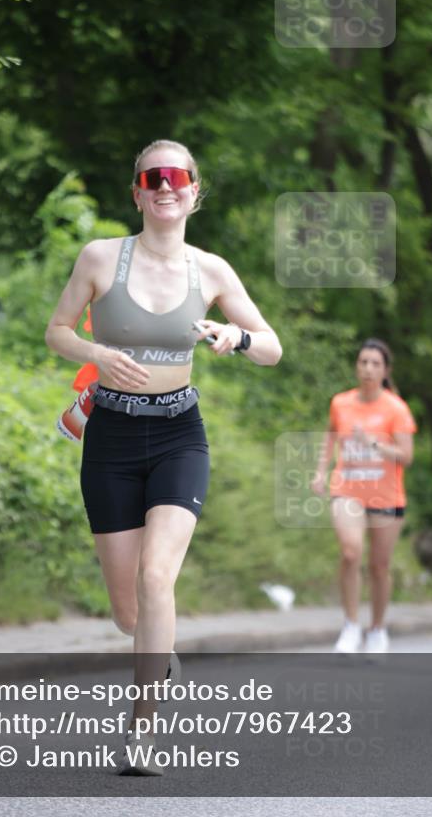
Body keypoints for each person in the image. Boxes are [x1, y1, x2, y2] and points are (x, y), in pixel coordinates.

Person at [45, 139, 282, 774]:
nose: (166, 187)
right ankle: (156, 649)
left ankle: (141, 730)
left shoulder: (213, 270)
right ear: (138, 192)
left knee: (157, 578)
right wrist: (95, 354)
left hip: (180, 435)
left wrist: (237, 338)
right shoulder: (100, 258)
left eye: (178, 177)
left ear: (195, 191)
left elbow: (272, 347)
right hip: (112, 440)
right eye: (154, 178)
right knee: (129, 611)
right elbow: (57, 330)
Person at [311, 339, 417, 653]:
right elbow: (331, 435)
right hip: (348, 488)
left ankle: (377, 629)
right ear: (357, 366)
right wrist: (320, 471)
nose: (368, 368)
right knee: (350, 552)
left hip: (386, 495)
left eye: (375, 364)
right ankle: (351, 625)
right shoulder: (341, 403)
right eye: (363, 362)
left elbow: (406, 456)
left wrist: (373, 443)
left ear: (385, 371)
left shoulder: (396, 408)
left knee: (379, 566)